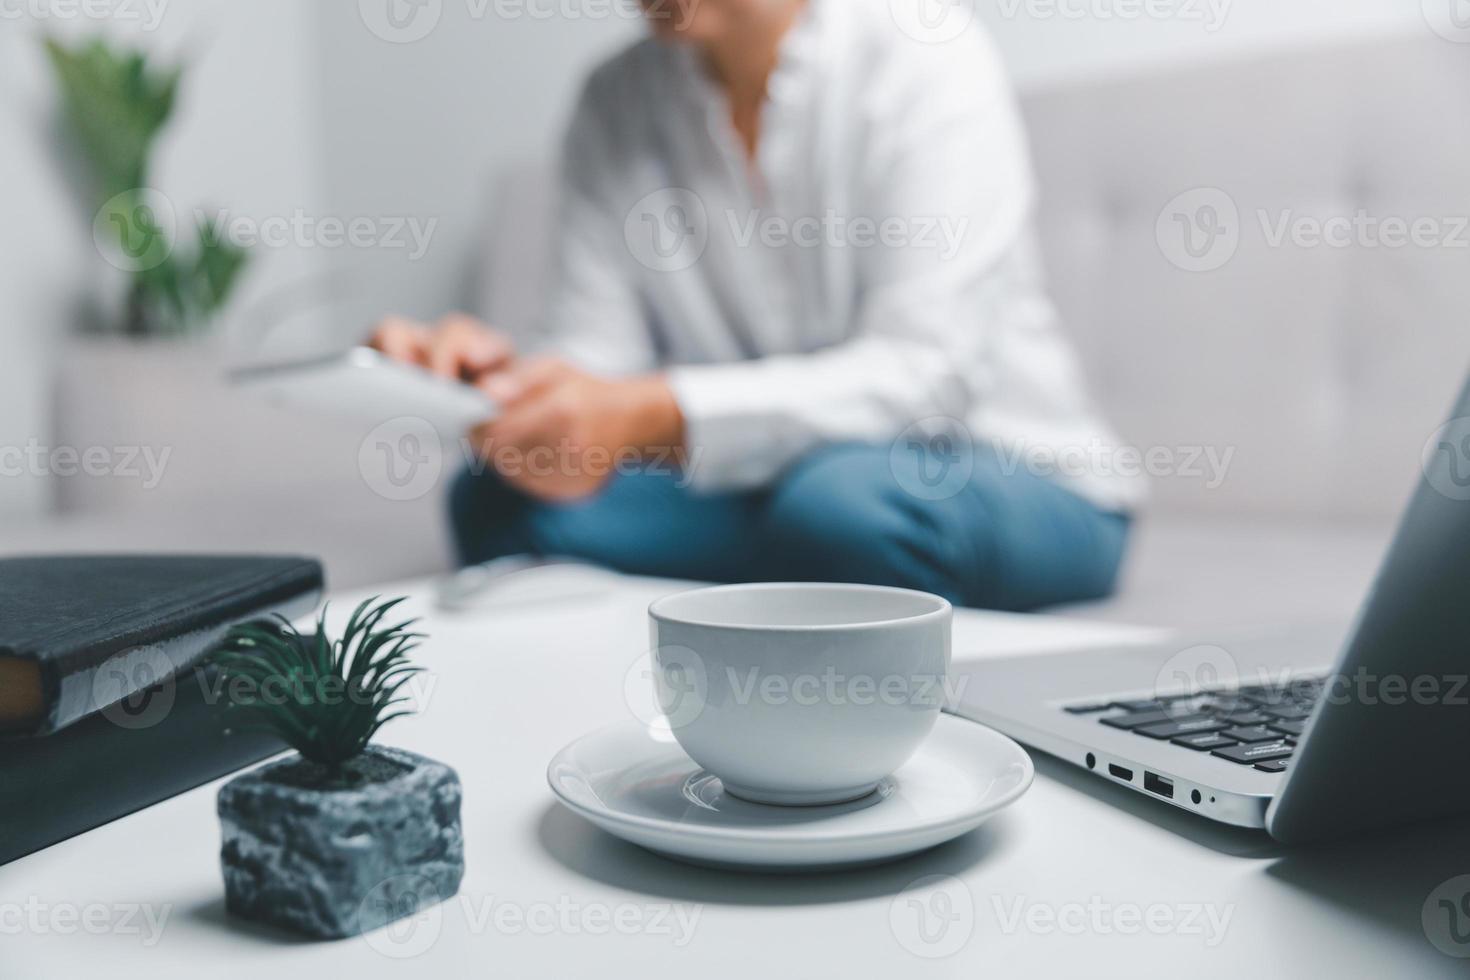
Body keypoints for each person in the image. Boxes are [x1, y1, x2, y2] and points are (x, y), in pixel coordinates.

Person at [371, 0, 1144, 610]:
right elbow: (598, 359)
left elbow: (924, 375)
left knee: (843, 507)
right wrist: (509, 388)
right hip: (765, 484)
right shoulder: (613, 102)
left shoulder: (925, 56)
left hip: (1001, 476)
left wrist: (650, 414)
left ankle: (769, 579)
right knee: (498, 493)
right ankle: (798, 587)